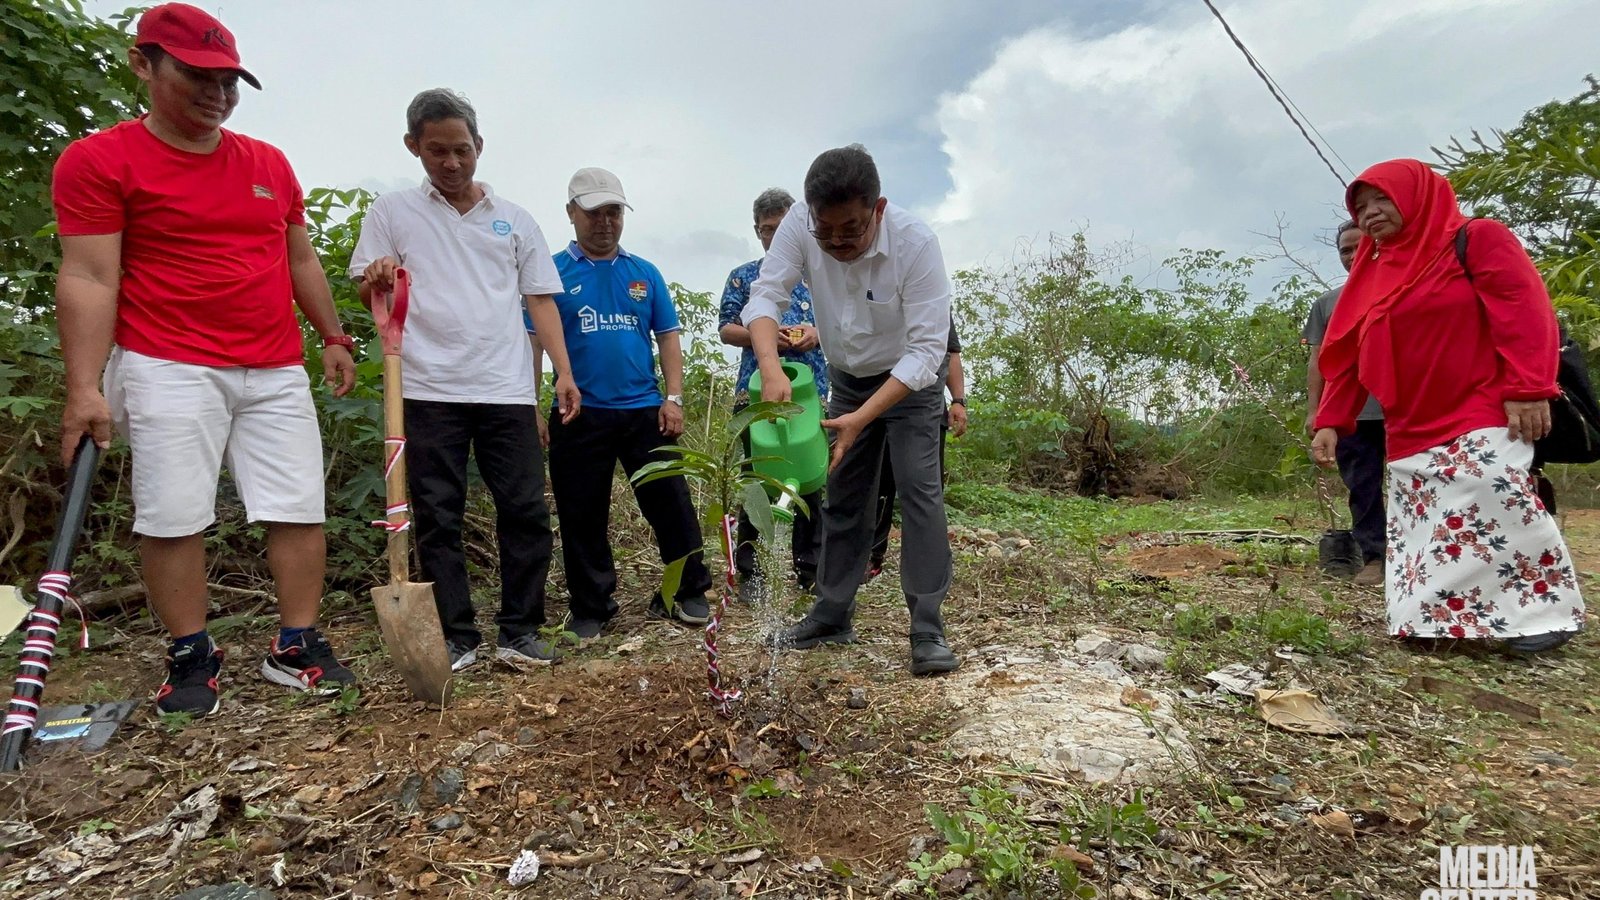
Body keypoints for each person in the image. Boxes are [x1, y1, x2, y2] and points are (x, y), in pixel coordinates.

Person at [51, 3, 358, 717]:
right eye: (198, 75)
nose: (217, 94)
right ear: (144, 64)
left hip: (274, 363)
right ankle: (192, 652)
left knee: (297, 505)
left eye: (229, 81)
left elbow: (299, 257)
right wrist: (83, 387)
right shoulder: (100, 160)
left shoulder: (267, 164)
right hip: (166, 361)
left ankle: (296, 644)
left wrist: (334, 337)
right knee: (173, 514)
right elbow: (90, 278)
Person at [1312, 158, 1585, 655]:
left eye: (1382, 201)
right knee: (1429, 523)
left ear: (1418, 196)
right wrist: (1331, 420)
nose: (1370, 214)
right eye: (1361, 206)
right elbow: (1348, 353)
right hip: (1412, 419)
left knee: (1494, 498)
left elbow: (1524, 308)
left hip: (1483, 404)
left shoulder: (1477, 238)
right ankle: (1437, 620)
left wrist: (1528, 386)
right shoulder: (1372, 272)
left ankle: (1536, 615)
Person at [348, 89, 579, 671]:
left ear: (479, 146)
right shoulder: (393, 212)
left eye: (460, 150)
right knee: (438, 514)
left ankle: (520, 630)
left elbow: (541, 301)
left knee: (525, 508)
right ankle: (457, 636)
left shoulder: (515, 219)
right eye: (435, 152)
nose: (450, 163)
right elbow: (367, 287)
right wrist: (376, 275)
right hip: (427, 388)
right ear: (414, 148)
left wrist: (563, 375)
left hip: (505, 388)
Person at [745, 144, 959, 676]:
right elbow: (766, 295)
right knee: (843, 494)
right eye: (827, 230)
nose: (838, 241)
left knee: (919, 494)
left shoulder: (915, 244)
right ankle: (832, 613)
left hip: (910, 385)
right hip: (845, 380)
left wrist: (864, 418)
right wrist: (771, 369)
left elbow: (929, 351)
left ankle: (927, 627)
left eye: (853, 228)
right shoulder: (799, 223)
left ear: (878, 210)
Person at [534, 168, 713, 639]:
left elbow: (668, 336)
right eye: (594, 212)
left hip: (644, 410)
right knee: (581, 510)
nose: (605, 222)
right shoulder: (550, 273)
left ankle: (686, 589)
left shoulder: (644, 273)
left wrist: (673, 397)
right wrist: (533, 404)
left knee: (670, 503)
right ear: (571, 213)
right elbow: (532, 343)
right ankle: (592, 606)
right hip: (579, 412)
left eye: (613, 212)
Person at [718, 188, 828, 601]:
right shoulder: (744, 276)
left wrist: (817, 334)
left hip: (811, 394)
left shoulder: (820, 274)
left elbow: (841, 323)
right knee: (756, 482)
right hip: (757, 394)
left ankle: (812, 570)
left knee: (812, 482)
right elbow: (727, 328)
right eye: (766, 231)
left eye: (781, 228)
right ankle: (752, 574)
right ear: (756, 231)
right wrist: (765, 336)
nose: (773, 237)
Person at [1303, 221, 1385, 586]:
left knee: (1414, 484)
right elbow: (1319, 360)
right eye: (1344, 251)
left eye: (1359, 246)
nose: (1352, 256)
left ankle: (1418, 556)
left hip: (1407, 411)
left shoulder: (1410, 288)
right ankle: (1375, 557)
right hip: (1353, 413)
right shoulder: (1328, 304)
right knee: (1363, 488)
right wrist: (1317, 412)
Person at [868, 317, 967, 579]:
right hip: (878, 406)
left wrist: (958, 401)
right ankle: (872, 556)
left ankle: (929, 566)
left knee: (926, 492)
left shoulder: (936, 301)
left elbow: (951, 352)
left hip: (927, 410)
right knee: (879, 486)